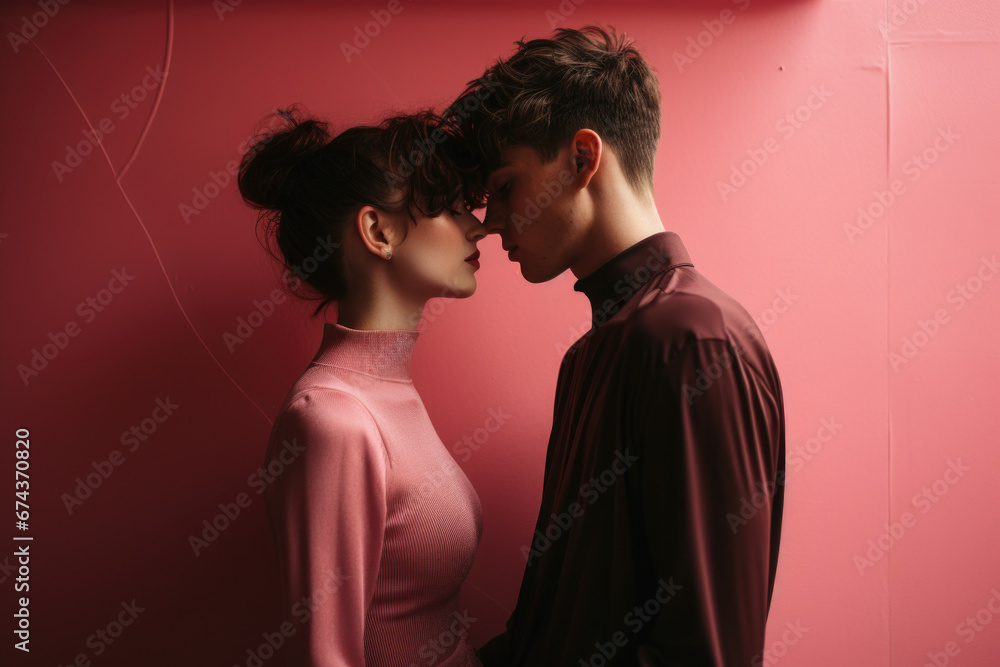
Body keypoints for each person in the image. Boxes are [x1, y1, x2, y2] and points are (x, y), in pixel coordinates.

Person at [443, 25, 786, 666]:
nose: (491, 224)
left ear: (582, 158)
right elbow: (552, 623)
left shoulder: (693, 341)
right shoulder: (594, 354)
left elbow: (710, 654)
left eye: (506, 187)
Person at [238, 103, 488, 666]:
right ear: (378, 231)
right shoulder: (332, 419)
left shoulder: (385, 393)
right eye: (450, 209)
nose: (478, 226)